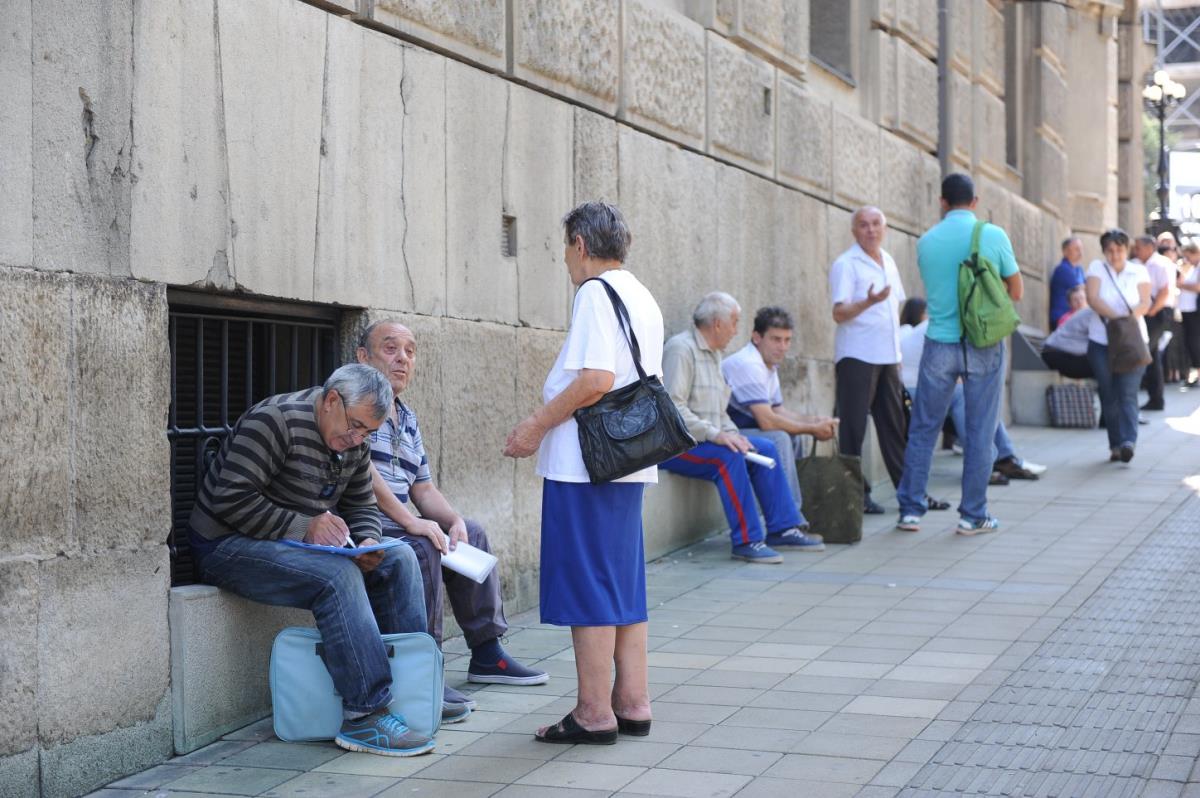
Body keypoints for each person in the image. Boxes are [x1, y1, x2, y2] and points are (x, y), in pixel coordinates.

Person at [188, 364, 437, 757]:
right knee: (336, 576)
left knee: (400, 556)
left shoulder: (355, 439)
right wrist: (305, 525)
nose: (357, 438)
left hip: (293, 545)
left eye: (367, 433)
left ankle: (414, 694)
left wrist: (370, 539)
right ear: (331, 400)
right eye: (354, 426)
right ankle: (365, 715)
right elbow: (229, 499)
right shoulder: (275, 420)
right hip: (225, 545)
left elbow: (361, 502)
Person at [503, 201, 658, 745]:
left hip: (585, 465)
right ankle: (632, 701)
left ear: (581, 246)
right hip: (626, 462)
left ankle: (594, 711)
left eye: (566, 249)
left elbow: (596, 377)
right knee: (621, 581)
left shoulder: (595, 291)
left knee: (591, 583)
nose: (566, 260)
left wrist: (536, 425)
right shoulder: (641, 294)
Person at [356, 320, 548, 713]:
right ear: (363, 357)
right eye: (391, 349)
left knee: (470, 533)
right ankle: (426, 671)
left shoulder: (407, 418)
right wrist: (413, 522)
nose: (402, 359)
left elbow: (423, 489)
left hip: (402, 520)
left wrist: (453, 519)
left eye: (410, 351)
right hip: (368, 525)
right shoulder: (355, 404)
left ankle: (487, 653)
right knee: (424, 545)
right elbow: (364, 474)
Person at [897, 173, 1023, 536]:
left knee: (923, 428)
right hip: (982, 341)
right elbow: (1016, 291)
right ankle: (972, 515)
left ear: (942, 202)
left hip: (939, 340)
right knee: (980, 431)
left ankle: (910, 510)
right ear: (975, 201)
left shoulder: (926, 242)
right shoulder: (992, 235)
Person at [659, 292, 825, 563]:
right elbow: (671, 409)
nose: (737, 331)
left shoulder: (715, 356)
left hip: (707, 440)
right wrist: (718, 435)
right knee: (729, 458)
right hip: (677, 446)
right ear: (717, 323)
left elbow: (720, 412)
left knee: (765, 448)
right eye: (734, 322)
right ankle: (747, 540)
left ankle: (782, 528)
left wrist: (733, 435)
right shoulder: (681, 349)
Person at [898, 298, 1046, 488]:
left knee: (970, 396)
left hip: (914, 388)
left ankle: (998, 458)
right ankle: (988, 462)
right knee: (968, 396)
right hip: (913, 390)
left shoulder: (916, 329)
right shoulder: (938, 328)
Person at [829, 206, 911, 515]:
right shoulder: (846, 264)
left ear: (885, 228)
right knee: (853, 429)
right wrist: (869, 301)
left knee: (894, 425)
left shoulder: (888, 260)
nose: (871, 230)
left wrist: (899, 356)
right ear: (854, 231)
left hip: (888, 356)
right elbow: (839, 313)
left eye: (876, 224)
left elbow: (893, 313)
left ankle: (909, 494)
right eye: (863, 225)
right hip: (857, 355)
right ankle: (855, 496)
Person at [721, 305, 838, 507]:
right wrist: (813, 429)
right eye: (776, 339)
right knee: (780, 437)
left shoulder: (767, 364)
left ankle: (794, 507)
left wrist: (815, 421)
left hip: (743, 430)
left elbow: (778, 411)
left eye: (787, 340)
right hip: (725, 434)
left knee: (794, 435)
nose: (782, 347)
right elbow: (767, 421)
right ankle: (789, 516)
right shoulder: (748, 364)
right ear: (757, 337)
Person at [1085, 228, 1151, 462]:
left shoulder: (1138, 271)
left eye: (1119, 250)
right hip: (1101, 341)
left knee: (1127, 393)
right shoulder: (1096, 268)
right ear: (1104, 252)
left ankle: (1128, 441)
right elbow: (1093, 298)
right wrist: (1116, 319)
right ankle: (1115, 443)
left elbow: (1145, 301)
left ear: (1127, 249)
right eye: (1110, 251)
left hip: (1132, 343)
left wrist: (1128, 320)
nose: (1115, 255)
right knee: (1108, 393)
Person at [1131, 235, 1176, 411]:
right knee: (1152, 355)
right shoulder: (1136, 263)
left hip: (1157, 312)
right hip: (1147, 311)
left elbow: (1164, 290)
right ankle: (1156, 398)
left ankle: (1140, 395)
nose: (1136, 251)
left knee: (1144, 352)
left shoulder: (1161, 264)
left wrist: (1151, 311)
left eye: (1139, 247)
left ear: (1149, 248)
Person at [1041, 302, 1095, 380]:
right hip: (1059, 355)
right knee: (1108, 365)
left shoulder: (1095, 310)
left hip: (1057, 352)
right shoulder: (1097, 314)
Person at [1049, 236, 1086, 330]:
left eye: (1081, 249)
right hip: (1062, 318)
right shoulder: (1062, 269)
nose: (1080, 252)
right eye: (1076, 249)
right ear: (1065, 252)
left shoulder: (1079, 269)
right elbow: (1084, 290)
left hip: (1075, 317)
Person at [1178, 241, 1200, 389]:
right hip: (1188, 311)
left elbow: (1197, 287)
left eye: (1188, 256)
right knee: (1191, 344)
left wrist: (1180, 285)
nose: (1186, 259)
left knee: (1195, 343)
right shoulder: (1193, 268)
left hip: (1195, 312)